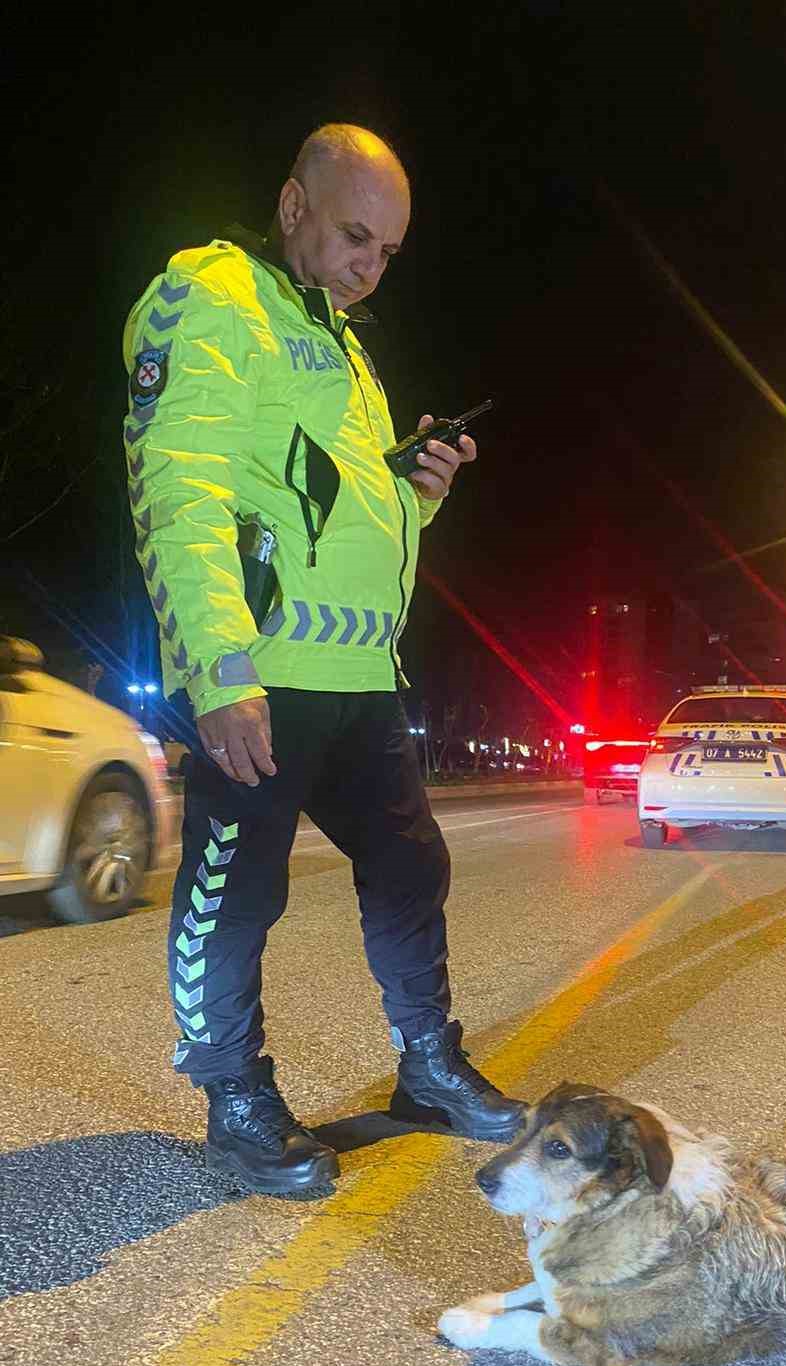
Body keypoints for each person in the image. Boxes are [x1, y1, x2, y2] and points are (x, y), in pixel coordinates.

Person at [122, 123, 525, 1196]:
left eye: (388, 251)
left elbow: (334, 516)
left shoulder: (343, 343)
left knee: (410, 867)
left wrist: (416, 493)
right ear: (294, 203)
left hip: (357, 679)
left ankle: (429, 1066)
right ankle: (234, 1097)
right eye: (356, 235)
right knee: (235, 889)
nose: (369, 265)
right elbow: (180, 486)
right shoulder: (212, 294)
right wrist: (218, 671)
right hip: (261, 676)